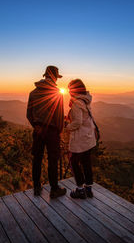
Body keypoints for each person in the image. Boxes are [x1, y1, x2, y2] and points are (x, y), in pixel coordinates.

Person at [27, 65, 66, 198]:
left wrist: (36, 126)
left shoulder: (33, 93)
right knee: (52, 160)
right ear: (54, 77)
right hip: (52, 131)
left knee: (37, 159)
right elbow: (59, 116)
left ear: (45, 76)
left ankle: (37, 188)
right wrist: (59, 131)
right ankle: (54, 189)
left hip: (38, 131)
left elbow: (29, 114)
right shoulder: (57, 93)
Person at [65, 79, 97, 199]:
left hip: (79, 139)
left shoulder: (76, 103)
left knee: (74, 162)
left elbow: (77, 122)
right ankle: (88, 189)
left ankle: (79, 190)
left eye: (70, 89)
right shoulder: (85, 100)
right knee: (86, 163)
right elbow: (83, 119)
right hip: (88, 138)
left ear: (74, 90)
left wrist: (67, 126)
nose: (68, 91)